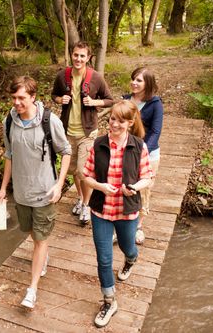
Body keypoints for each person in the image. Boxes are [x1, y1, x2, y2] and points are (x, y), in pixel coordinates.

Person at [0, 76, 71, 309]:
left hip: (44, 192)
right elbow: (9, 155)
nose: (16, 102)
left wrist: (59, 185)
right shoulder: (8, 121)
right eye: (14, 98)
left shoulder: (50, 121)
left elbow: (66, 151)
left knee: (40, 239)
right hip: (21, 192)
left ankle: (32, 290)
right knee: (30, 231)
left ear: (33, 97)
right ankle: (43, 256)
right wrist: (2, 189)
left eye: (21, 98)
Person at [82, 100, 152, 328]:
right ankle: (109, 301)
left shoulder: (139, 146)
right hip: (101, 209)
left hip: (127, 209)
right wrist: (100, 187)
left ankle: (131, 259)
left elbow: (147, 177)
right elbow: (86, 175)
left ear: (130, 123)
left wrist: (133, 187)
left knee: (127, 247)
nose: (114, 124)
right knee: (103, 258)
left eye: (120, 121)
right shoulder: (99, 143)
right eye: (112, 119)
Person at [51, 41, 114, 225]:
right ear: (72, 55)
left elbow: (109, 100)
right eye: (76, 55)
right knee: (73, 171)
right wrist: (59, 99)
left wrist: (94, 103)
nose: (78, 59)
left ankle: (86, 205)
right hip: (67, 132)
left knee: (83, 171)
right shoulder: (63, 76)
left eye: (82, 56)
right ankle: (80, 197)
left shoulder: (96, 77)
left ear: (88, 58)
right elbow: (53, 95)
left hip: (88, 132)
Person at [123, 67, 163, 245]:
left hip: (148, 153)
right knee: (126, 185)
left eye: (139, 80)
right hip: (125, 151)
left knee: (144, 188)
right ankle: (124, 221)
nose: (134, 82)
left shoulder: (155, 104)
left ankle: (138, 226)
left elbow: (156, 131)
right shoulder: (125, 100)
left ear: (148, 84)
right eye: (133, 79)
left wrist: (144, 149)